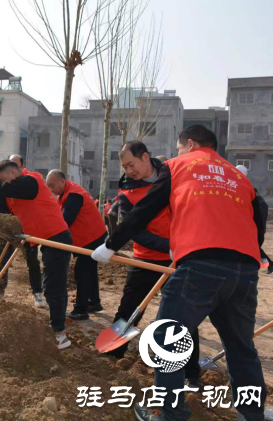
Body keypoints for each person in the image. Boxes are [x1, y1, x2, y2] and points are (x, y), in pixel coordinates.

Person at [92, 126, 266, 420]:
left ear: (190, 143)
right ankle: (252, 416)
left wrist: (111, 244)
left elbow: (145, 209)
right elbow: (258, 214)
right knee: (242, 348)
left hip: (201, 265)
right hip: (245, 270)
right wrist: (255, 252)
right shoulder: (237, 175)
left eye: (178, 147)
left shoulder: (177, 166)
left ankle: (170, 414)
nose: (176, 153)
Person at [105, 141, 201, 387]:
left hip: (180, 261)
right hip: (146, 260)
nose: (129, 170)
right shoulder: (126, 194)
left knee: (182, 318)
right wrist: (167, 246)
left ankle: (191, 375)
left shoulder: (174, 178)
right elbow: (134, 230)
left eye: (131, 164)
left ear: (145, 157)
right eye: (124, 167)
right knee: (128, 310)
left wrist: (179, 247)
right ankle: (112, 357)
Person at [0, 160, 73, 349]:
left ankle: (60, 334)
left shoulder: (31, 180)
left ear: (13, 172)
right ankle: (57, 328)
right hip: (44, 239)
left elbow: (1, 188)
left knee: (53, 287)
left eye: (5, 178)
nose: (4, 183)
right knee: (52, 285)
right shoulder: (17, 186)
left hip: (57, 238)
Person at [0, 163, 45, 308]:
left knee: (32, 260)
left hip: (25, 227)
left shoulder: (24, 183)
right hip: (6, 227)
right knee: (3, 259)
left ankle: (37, 292)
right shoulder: (1, 182)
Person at [46, 170, 107, 320]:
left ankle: (81, 309)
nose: (51, 190)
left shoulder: (74, 195)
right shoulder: (65, 193)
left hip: (92, 237)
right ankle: (94, 302)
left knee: (82, 271)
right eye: (49, 187)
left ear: (62, 181)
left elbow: (66, 220)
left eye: (53, 186)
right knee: (90, 270)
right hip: (88, 236)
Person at [255, 188, 271, 274]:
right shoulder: (261, 202)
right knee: (257, 248)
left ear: (256, 193)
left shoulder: (261, 204)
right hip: (259, 230)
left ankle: (270, 264)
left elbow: (259, 219)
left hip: (258, 230)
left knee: (256, 248)